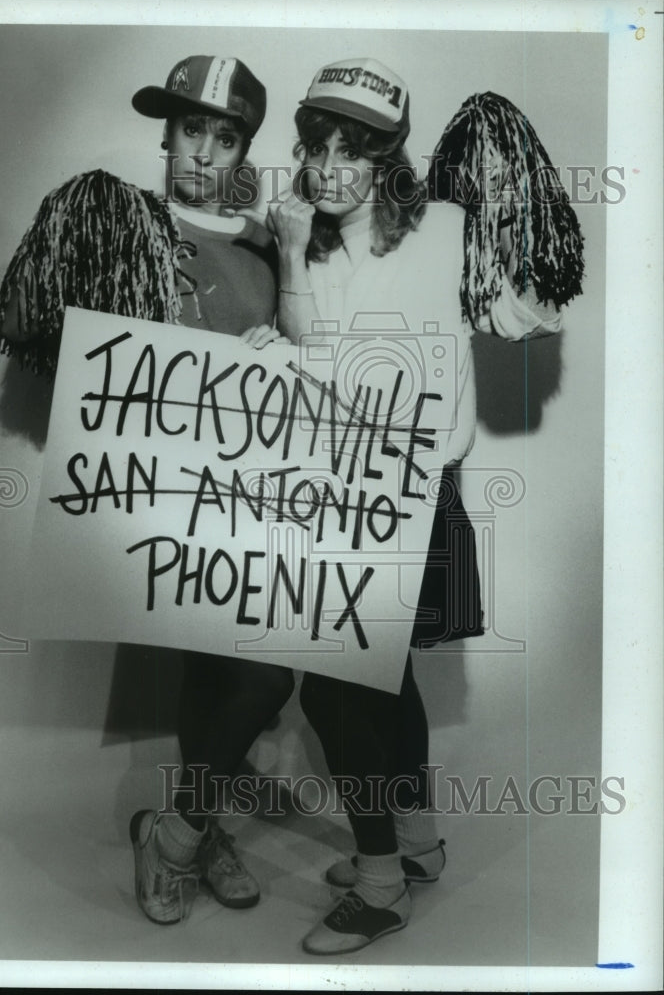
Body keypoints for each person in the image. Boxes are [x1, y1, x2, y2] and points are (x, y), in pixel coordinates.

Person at [268, 58, 580, 955]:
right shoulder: (306, 240)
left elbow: (531, 315)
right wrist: (288, 256)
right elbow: (312, 366)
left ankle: (378, 885)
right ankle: (416, 844)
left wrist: (522, 220)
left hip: (414, 491)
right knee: (378, 682)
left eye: (351, 149)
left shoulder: (445, 228)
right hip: (329, 490)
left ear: (388, 156)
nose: (328, 166)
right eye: (315, 145)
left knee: (336, 692)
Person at [0, 54, 296, 926]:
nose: (202, 149)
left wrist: (279, 354)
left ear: (244, 147)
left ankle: (181, 829)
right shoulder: (119, 223)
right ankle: (193, 832)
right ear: (166, 133)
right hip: (163, 498)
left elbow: (305, 368)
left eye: (224, 134)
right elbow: (31, 329)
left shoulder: (265, 241)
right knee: (219, 673)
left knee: (261, 680)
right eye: (190, 128)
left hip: (253, 498)